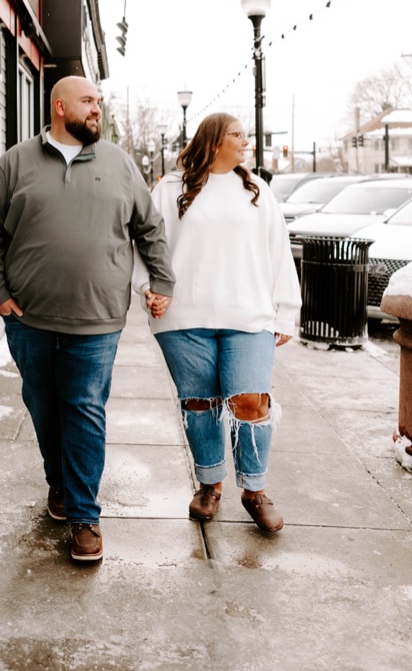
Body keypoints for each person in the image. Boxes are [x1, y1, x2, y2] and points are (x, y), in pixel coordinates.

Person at [0, 76, 173, 563]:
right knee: (43, 406)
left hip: (97, 319)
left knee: (84, 409)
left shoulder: (119, 163)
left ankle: (85, 516)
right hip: (29, 319)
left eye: (99, 104)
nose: (97, 111)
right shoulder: (17, 162)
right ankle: (59, 485)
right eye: (88, 102)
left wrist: (161, 283)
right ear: (59, 107)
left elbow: (150, 228)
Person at [146, 114, 300, 532]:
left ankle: (254, 489)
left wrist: (285, 310)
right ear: (214, 142)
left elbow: (278, 251)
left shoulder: (255, 190)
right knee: (200, 403)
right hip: (184, 315)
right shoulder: (169, 190)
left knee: (251, 402)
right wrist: (149, 288)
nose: (246, 142)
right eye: (238, 135)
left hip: (249, 315)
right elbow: (146, 244)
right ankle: (209, 485)